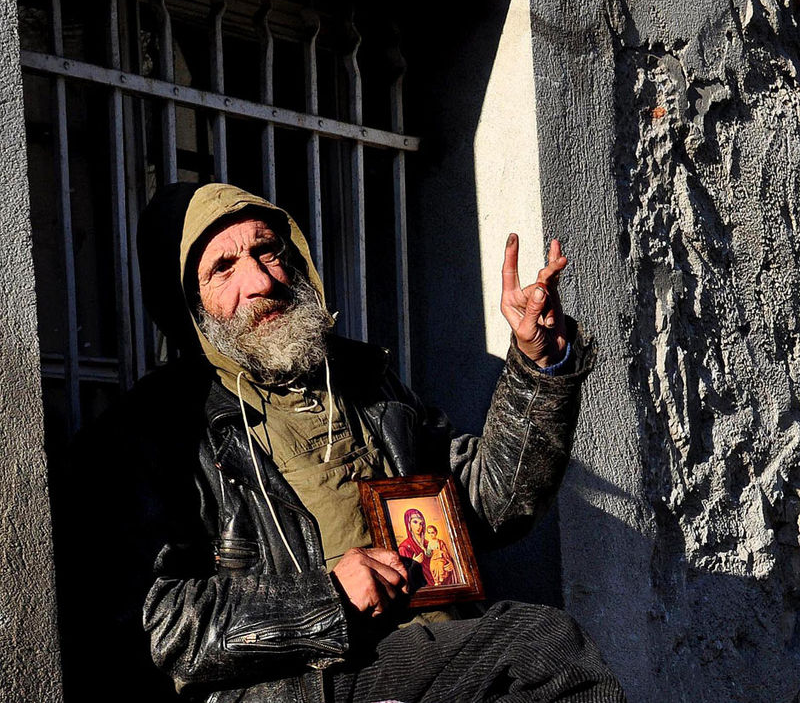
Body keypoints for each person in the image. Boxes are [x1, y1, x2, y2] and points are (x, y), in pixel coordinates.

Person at [62, 181, 625, 702]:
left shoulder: (363, 381)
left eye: (267, 251)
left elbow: (489, 508)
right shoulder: (160, 429)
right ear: (187, 302)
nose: (260, 282)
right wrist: (328, 597)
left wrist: (538, 366)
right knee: (542, 646)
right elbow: (163, 624)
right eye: (223, 269)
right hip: (308, 681)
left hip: (432, 650)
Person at [397, 509, 435, 586]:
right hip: (423, 588)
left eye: (421, 523)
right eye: (415, 522)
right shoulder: (404, 547)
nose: (419, 526)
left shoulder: (428, 543)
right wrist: (415, 563)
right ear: (408, 524)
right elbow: (404, 576)